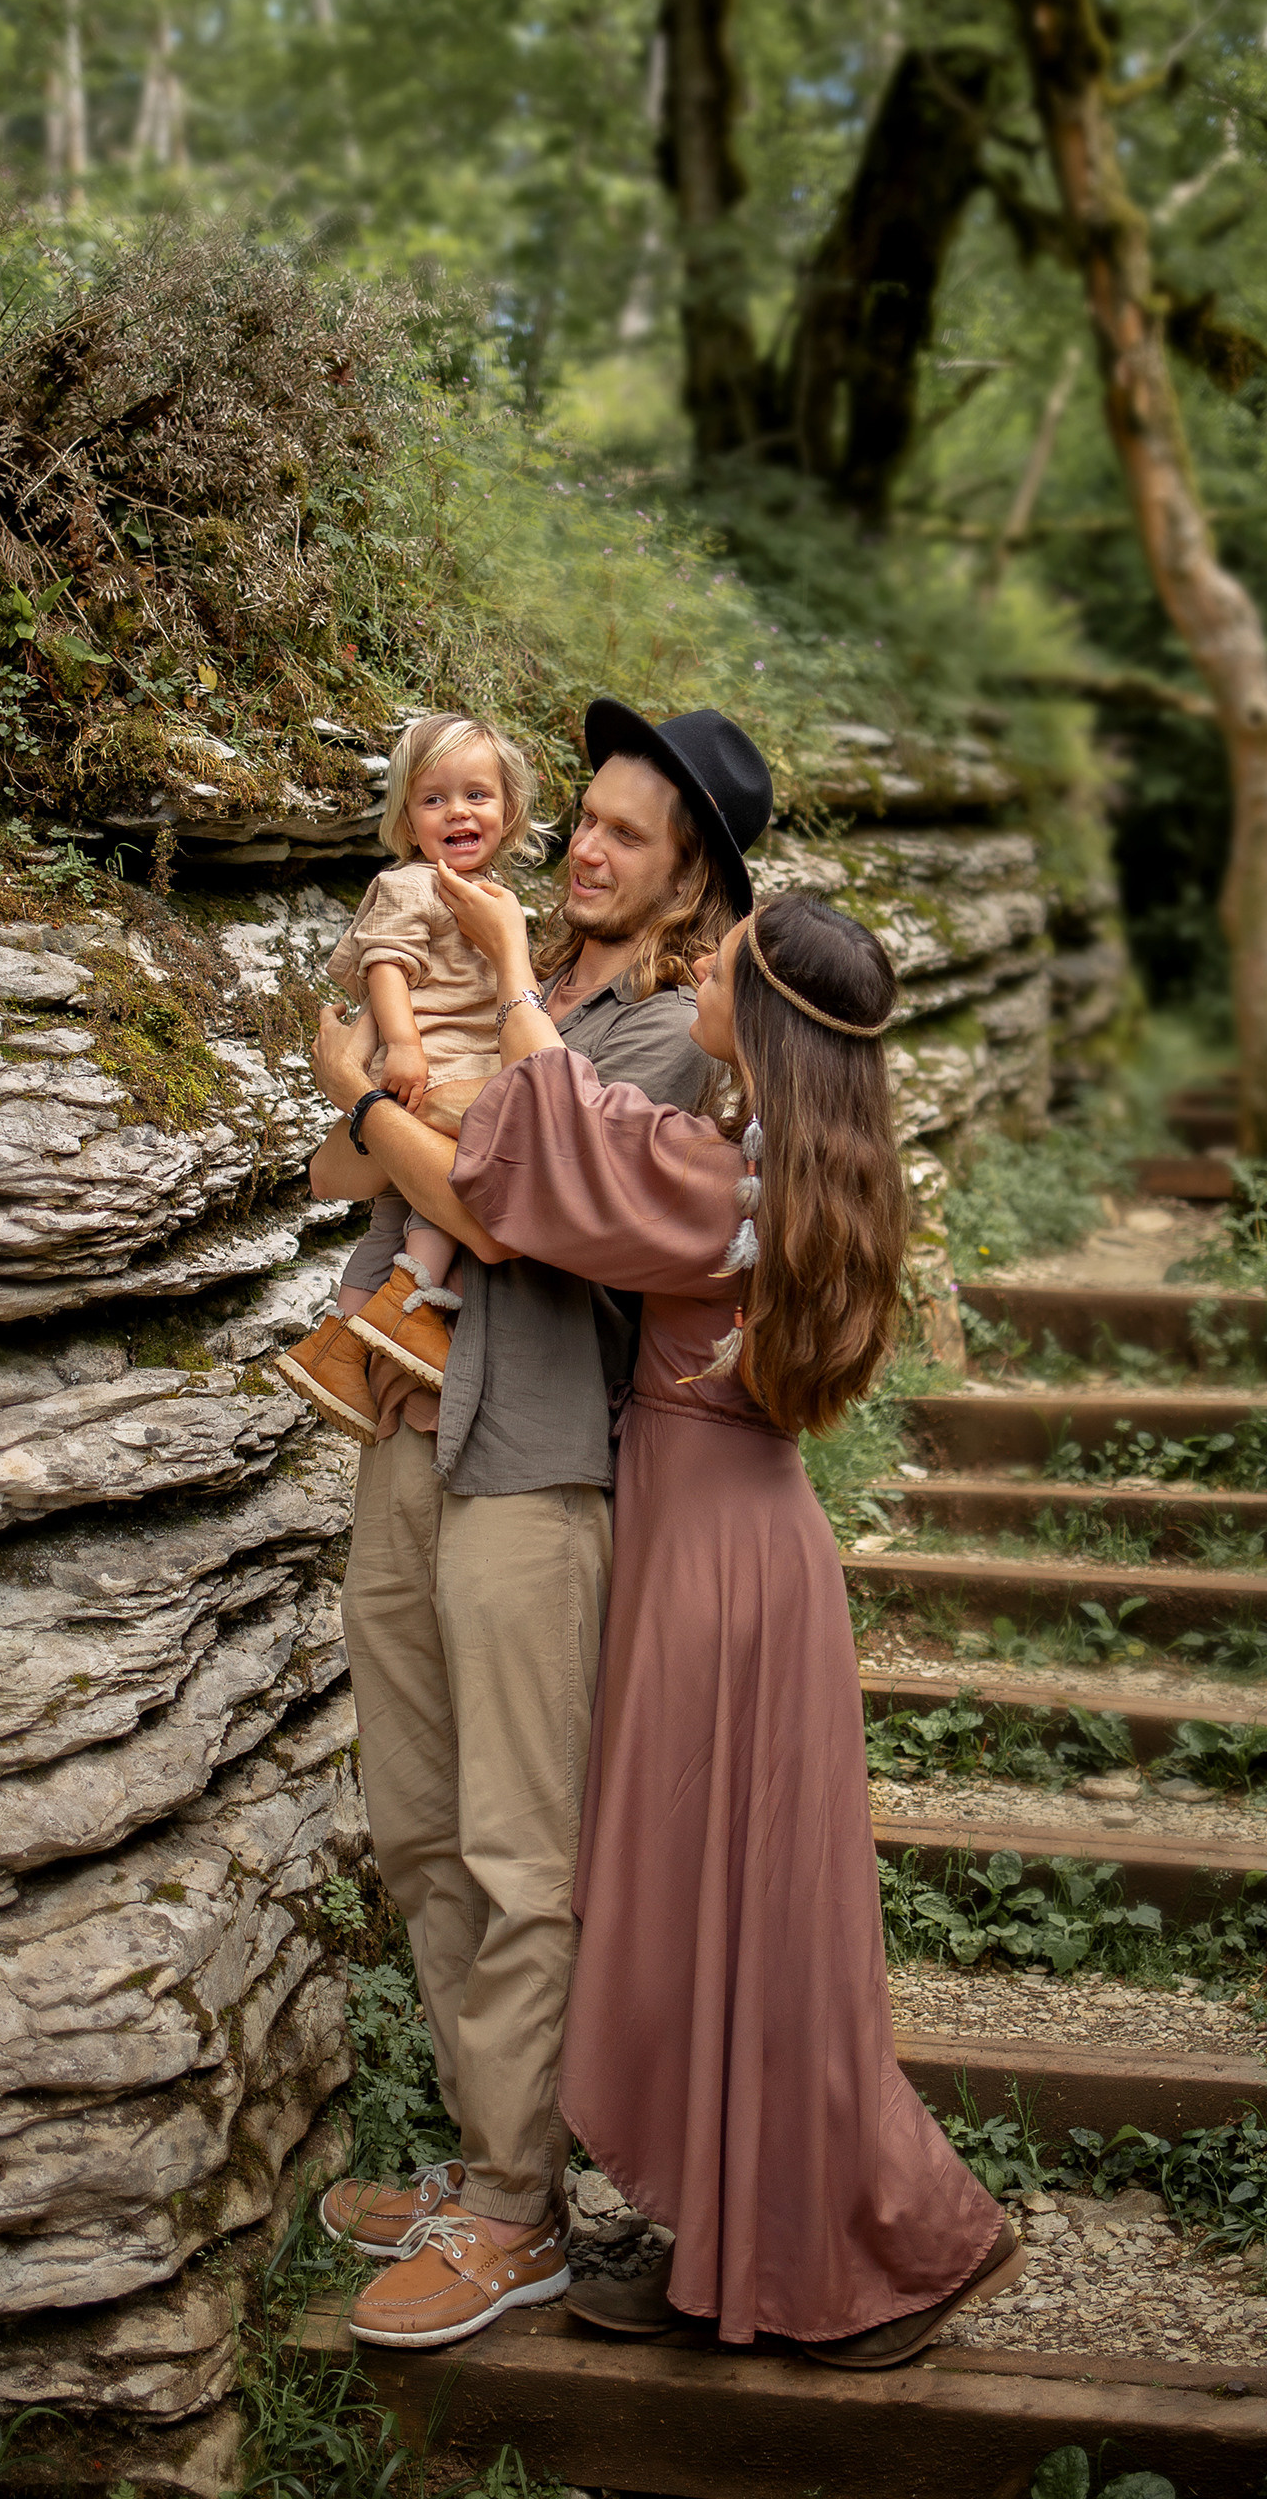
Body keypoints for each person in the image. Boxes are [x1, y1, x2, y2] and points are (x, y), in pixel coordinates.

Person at [436, 876, 1027, 2366]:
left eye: (727, 963)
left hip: (715, 1576)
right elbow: (610, 1140)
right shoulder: (785, 1170)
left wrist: (509, 969)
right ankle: (732, 2250)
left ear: (760, 1018)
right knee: (731, 1912)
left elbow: (564, 1155)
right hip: (746, 1555)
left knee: (740, 1916)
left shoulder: (723, 1188)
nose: (700, 964)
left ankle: (867, 2252)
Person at [306, 704, 776, 2352]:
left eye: (627, 836)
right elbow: (330, 1165)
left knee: (517, 1845)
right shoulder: (518, 982)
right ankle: (491, 2157)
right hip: (403, 1429)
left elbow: (503, 1204)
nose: (581, 847)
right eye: (581, 817)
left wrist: (378, 1109)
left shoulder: (656, 1038)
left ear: (695, 884)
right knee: (422, 1825)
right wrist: (366, 1102)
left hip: (532, 1457)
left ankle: (522, 2219)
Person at [276, 714, 545, 1441]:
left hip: (449, 1064)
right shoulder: (413, 884)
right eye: (434, 800)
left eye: (477, 795)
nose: (458, 812)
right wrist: (400, 1043)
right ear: (405, 820)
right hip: (436, 1064)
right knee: (451, 1183)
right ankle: (410, 1305)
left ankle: (336, 1342)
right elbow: (384, 965)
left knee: (394, 1207)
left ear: (509, 810)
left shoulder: (491, 896)